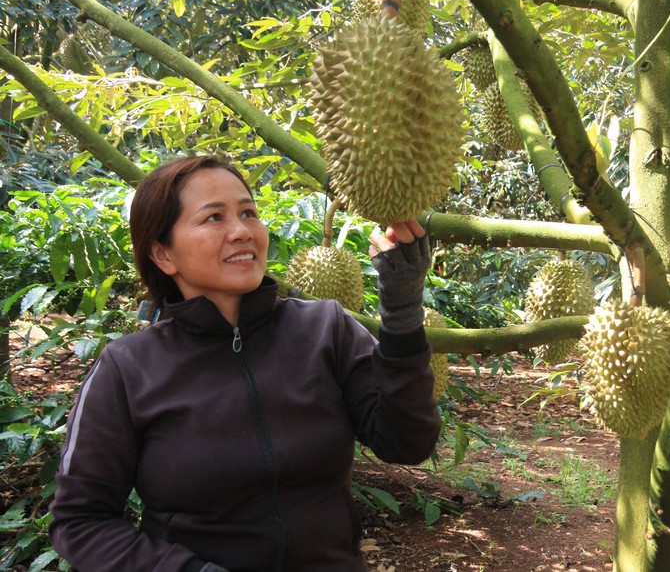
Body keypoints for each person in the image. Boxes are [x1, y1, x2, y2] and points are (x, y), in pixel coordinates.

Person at [49, 155, 441, 571]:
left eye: (248, 213)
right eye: (214, 218)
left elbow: (407, 443)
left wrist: (401, 312)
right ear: (164, 255)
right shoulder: (128, 368)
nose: (242, 232)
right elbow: (80, 521)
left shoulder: (326, 329)